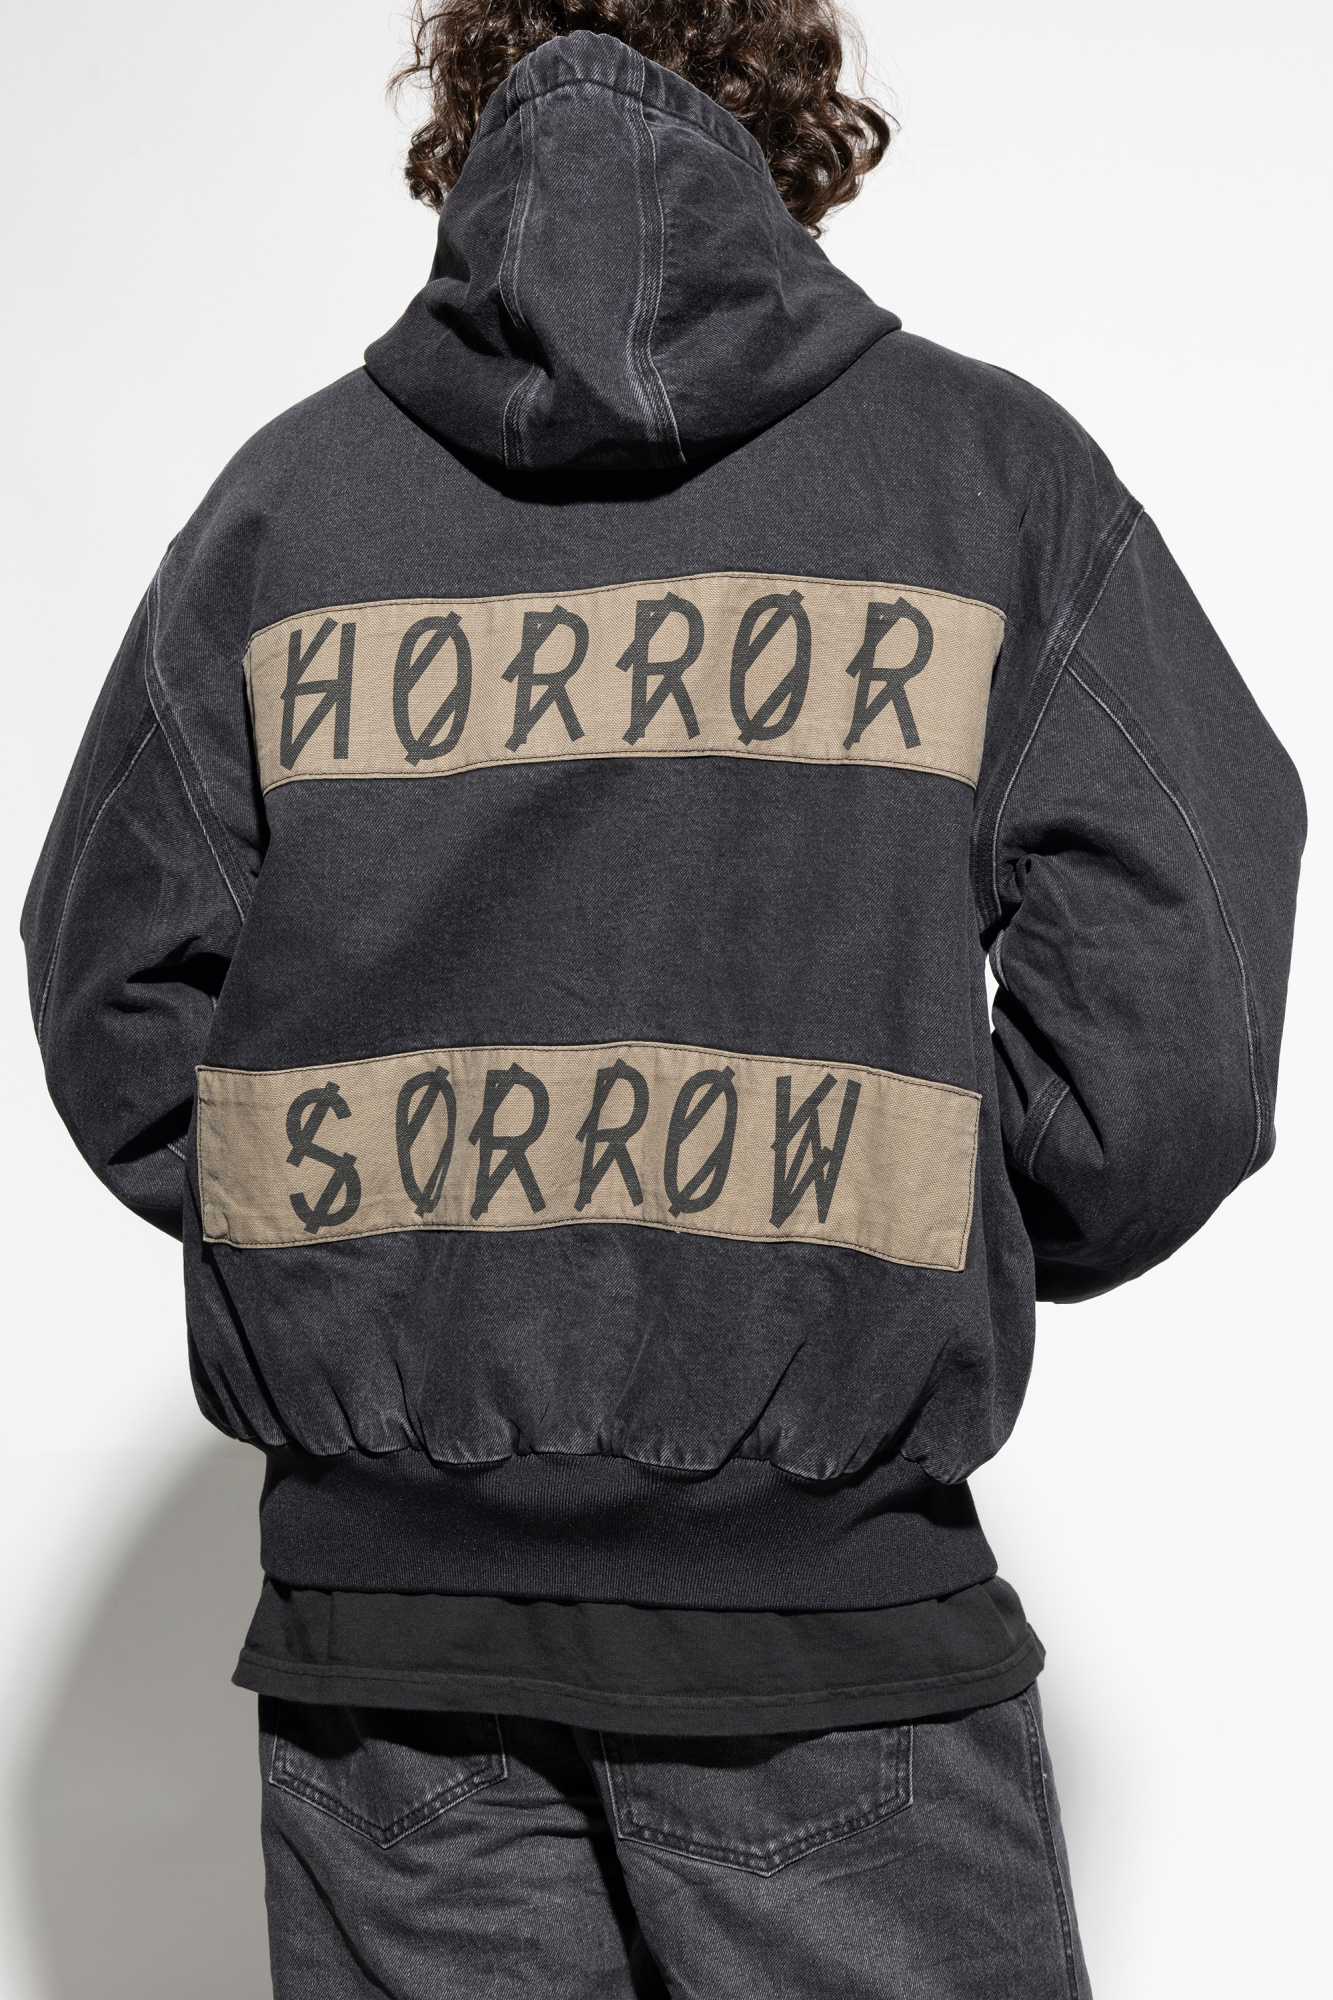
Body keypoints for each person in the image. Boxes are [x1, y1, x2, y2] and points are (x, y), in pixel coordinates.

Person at [20, 0, 1304, 1992]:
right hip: (828, 1636)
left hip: (388, 1665)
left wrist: (366, 1268)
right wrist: (909, 1247)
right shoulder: (986, 480)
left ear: (457, 112)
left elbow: (113, 991)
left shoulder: (285, 511)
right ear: (794, 123)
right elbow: (1177, 1035)